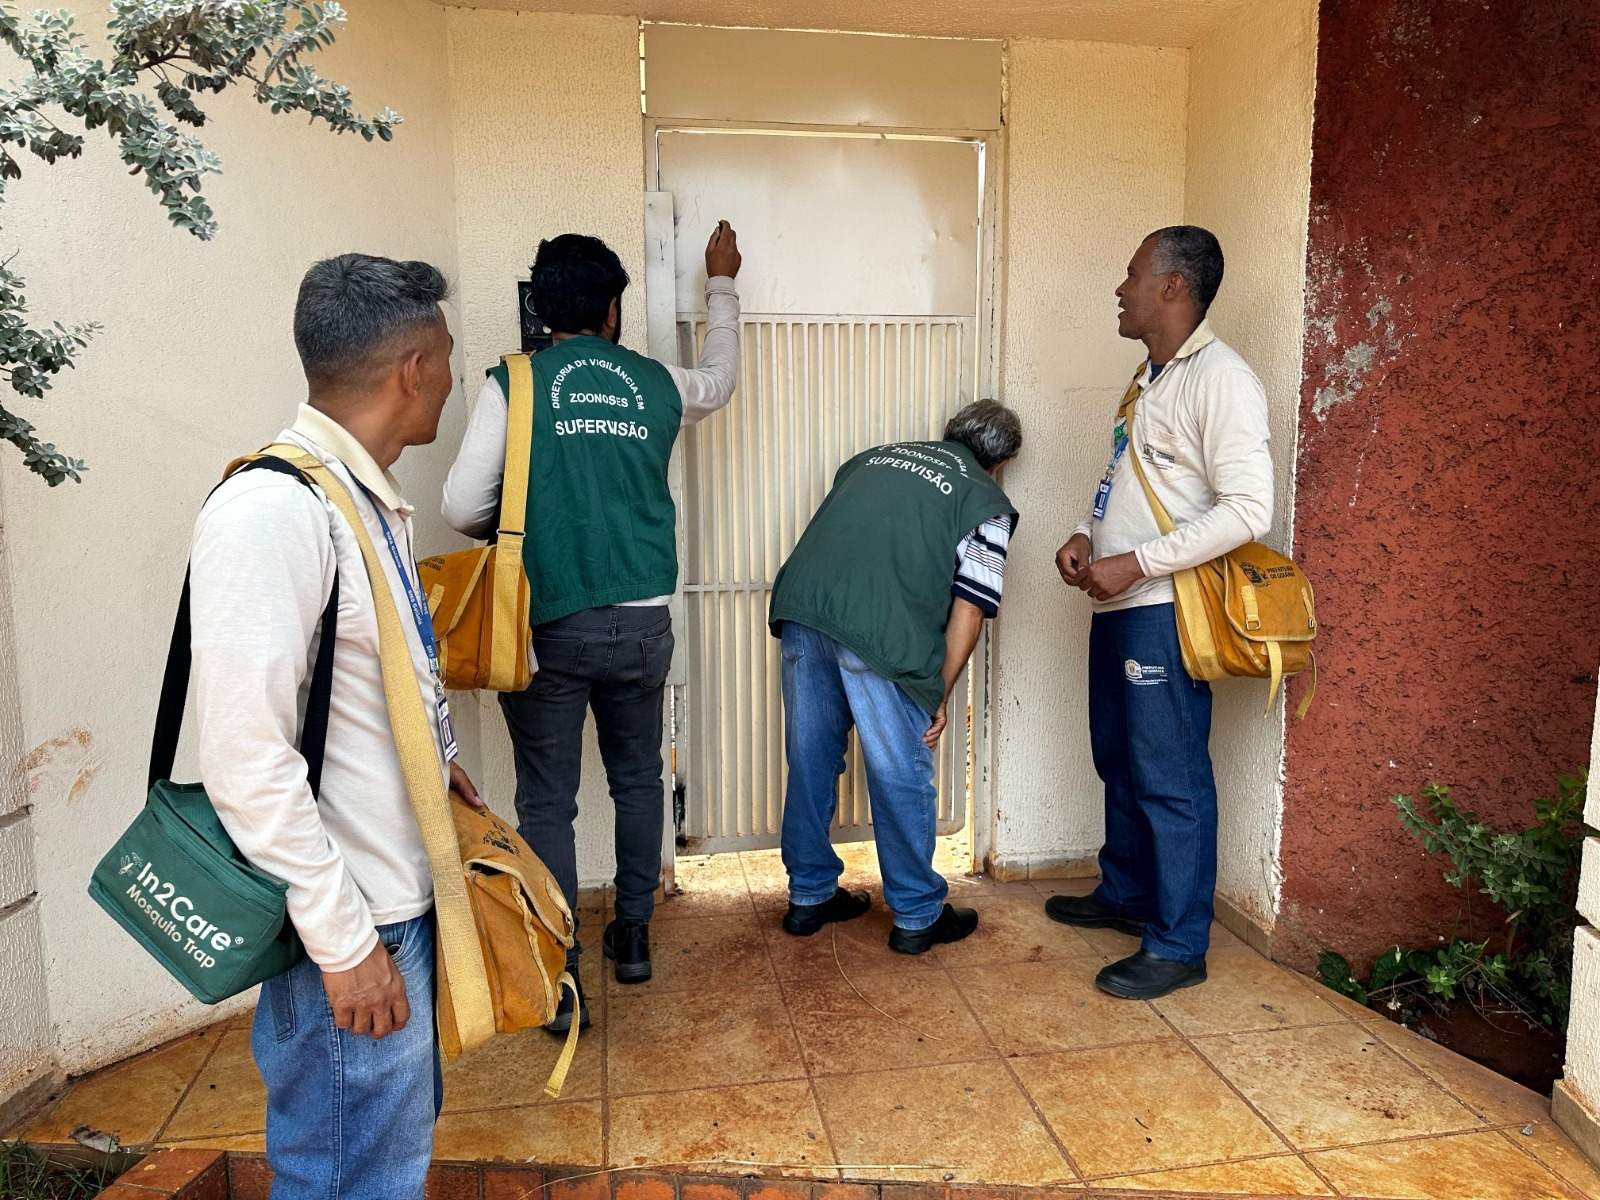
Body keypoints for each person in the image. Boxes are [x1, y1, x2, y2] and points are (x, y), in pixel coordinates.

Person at [190, 253, 481, 1199]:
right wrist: (346, 947)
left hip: (387, 907)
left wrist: (435, 765)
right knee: (344, 1179)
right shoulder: (273, 509)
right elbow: (244, 757)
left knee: (380, 1168)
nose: (449, 376)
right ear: (412, 368)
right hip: (351, 926)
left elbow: (368, 684)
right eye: (444, 356)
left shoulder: (355, 496)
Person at [442, 224, 743, 1028]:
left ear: (541, 310)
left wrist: (530, 519)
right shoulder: (654, 383)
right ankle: (635, 936)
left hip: (548, 626)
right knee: (638, 778)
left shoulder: (515, 384)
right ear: (613, 307)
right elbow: (720, 379)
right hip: (643, 624)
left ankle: (560, 971)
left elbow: (461, 506)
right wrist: (721, 283)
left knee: (549, 799)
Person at [1048, 225, 1273, 1000]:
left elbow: (1251, 509)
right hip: (1117, 603)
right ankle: (1130, 893)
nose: (1120, 287)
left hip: (1163, 607)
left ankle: (1178, 944)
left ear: (1173, 286)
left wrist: (1135, 563)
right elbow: (1124, 476)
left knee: (1169, 774)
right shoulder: (1148, 378)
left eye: (1132, 273)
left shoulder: (1222, 378)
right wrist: (1086, 531)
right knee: (1119, 757)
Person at [767, 401, 1022, 953]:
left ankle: (808, 896)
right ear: (1002, 463)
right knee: (900, 768)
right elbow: (970, 609)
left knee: (810, 756)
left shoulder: (870, 459)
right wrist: (939, 692)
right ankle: (915, 914)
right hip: (879, 629)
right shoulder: (987, 500)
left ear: (948, 435)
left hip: (803, 609)